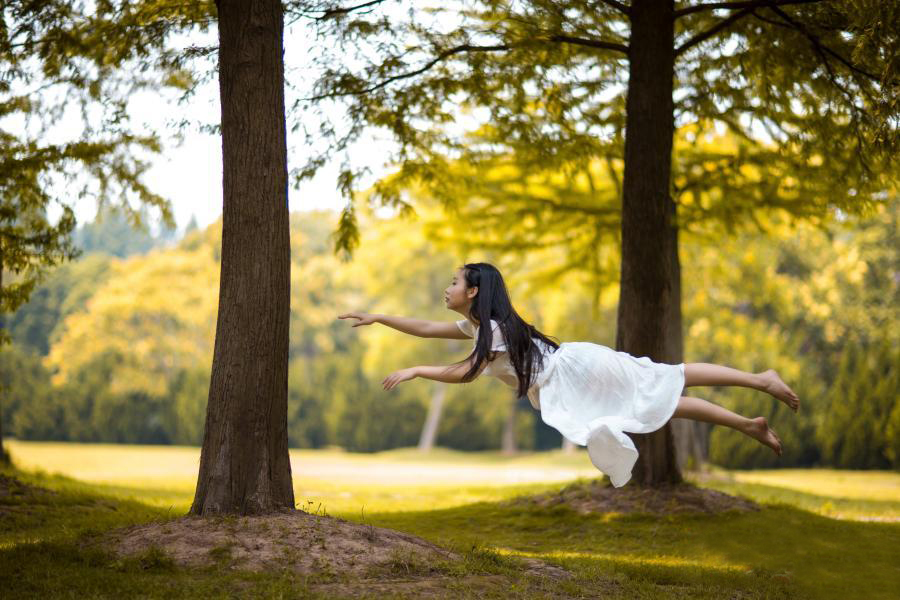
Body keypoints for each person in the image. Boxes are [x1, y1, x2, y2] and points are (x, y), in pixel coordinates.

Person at [337, 262, 800, 487]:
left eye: (455, 282)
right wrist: (380, 317)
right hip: (570, 383)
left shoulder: (493, 330)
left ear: (473, 291)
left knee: (666, 378)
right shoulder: (478, 326)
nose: (448, 287)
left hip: (576, 376)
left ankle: (761, 380)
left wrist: (417, 370)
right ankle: (747, 423)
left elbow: (466, 372)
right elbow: (424, 328)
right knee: (662, 402)